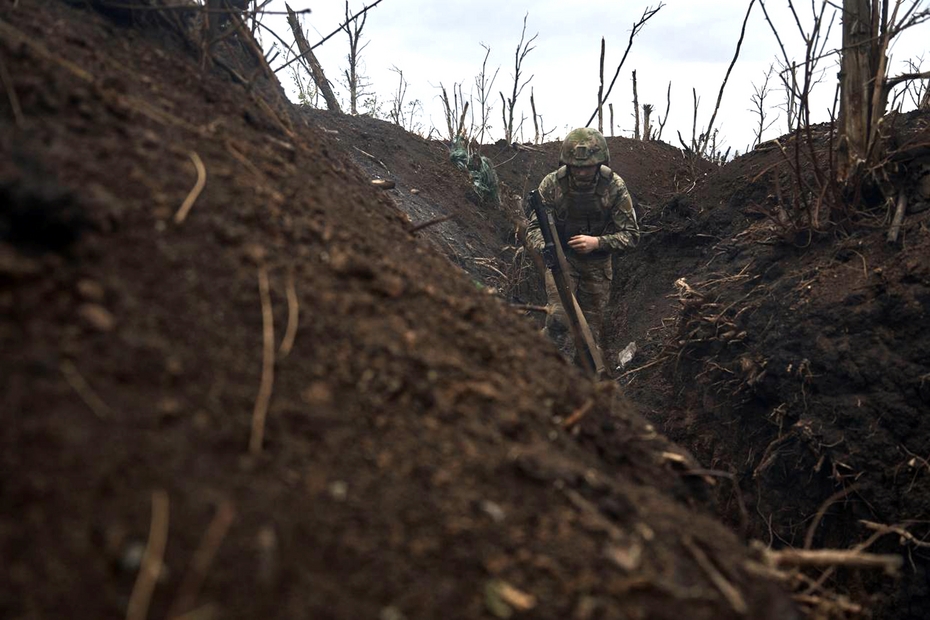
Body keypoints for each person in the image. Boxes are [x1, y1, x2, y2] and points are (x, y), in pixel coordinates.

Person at [525, 127, 639, 359]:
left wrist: (597, 243)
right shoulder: (552, 184)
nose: (581, 172)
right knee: (558, 319)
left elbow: (631, 235)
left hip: (597, 266)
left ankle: (583, 381)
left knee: (591, 331)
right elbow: (534, 229)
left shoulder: (614, 186)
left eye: (587, 166)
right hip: (562, 260)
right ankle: (541, 369)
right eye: (576, 167)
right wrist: (549, 251)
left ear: (600, 162)